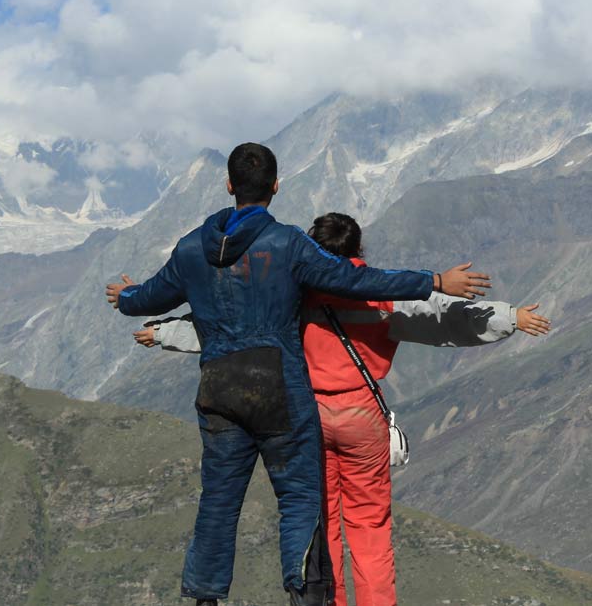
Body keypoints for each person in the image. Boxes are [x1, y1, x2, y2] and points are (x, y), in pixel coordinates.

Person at [104, 143, 491, 606]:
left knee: (218, 505)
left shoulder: (190, 249)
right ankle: (307, 596)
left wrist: (126, 297)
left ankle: (204, 598)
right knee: (301, 501)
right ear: (276, 186)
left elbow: (147, 298)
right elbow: (356, 281)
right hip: (280, 393)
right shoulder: (287, 244)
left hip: (218, 392)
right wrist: (433, 281)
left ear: (229, 186)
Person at [135, 212, 551, 606]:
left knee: (322, 523)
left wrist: (163, 332)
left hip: (306, 416)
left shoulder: (291, 294)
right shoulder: (381, 295)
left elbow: (231, 327)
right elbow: (447, 318)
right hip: (362, 417)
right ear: (359, 250)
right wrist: (510, 317)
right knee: (369, 527)